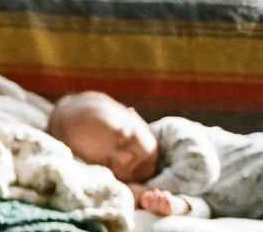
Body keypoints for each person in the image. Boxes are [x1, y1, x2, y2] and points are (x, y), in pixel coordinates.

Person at [47, 91, 263, 219]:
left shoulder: (171, 131)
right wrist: (176, 206)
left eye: (125, 138)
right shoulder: (163, 186)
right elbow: (206, 206)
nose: (125, 159)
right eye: (107, 163)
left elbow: (202, 168)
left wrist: (145, 192)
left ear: (136, 115)